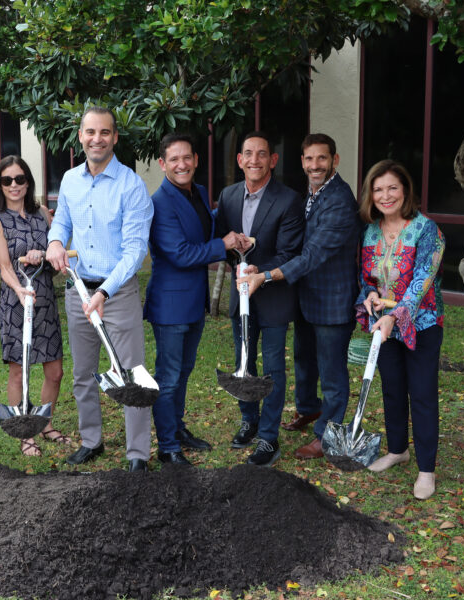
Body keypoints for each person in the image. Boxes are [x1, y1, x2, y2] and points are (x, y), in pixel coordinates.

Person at [236, 134, 361, 460]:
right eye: (309, 159)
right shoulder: (312, 193)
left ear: (334, 161)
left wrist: (264, 275)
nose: (315, 165)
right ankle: (308, 409)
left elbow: (310, 256)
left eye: (322, 159)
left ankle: (327, 435)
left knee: (332, 374)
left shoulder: (340, 201)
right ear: (302, 162)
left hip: (332, 300)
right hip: (306, 295)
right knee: (305, 360)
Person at [45, 105, 154, 472]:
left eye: (104, 132)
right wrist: (56, 242)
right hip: (78, 291)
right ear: (80, 136)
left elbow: (136, 250)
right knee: (83, 374)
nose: (97, 139)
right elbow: (61, 222)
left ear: (115, 137)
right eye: (90, 132)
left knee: (131, 372)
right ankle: (91, 440)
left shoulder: (131, 186)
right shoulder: (71, 180)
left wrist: (104, 292)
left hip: (117, 293)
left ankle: (137, 452)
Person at [144, 133, 248, 465]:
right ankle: (168, 447)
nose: (181, 164)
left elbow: (208, 231)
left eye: (186, 157)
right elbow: (179, 253)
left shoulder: (199, 193)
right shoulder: (159, 203)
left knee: (184, 371)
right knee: (169, 375)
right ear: (162, 164)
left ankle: (177, 429)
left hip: (194, 301)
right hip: (170, 303)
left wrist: (232, 240)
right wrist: (224, 245)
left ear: (196, 160)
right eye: (173, 159)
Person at [356, 159, 445, 500]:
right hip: (384, 323)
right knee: (392, 387)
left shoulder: (427, 230)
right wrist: (370, 296)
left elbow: (422, 281)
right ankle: (397, 450)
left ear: (405, 190)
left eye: (392, 187)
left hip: (421, 324)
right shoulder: (370, 231)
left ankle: (426, 470)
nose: (385, 195)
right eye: (378, 189)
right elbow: (367, 278)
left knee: (421, 393)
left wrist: (397, 315)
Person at [215, 131, 304, 466]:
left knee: (272, 370)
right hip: (242, 299)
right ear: (239, 160)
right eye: (248, 154)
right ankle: (249, 420)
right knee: (244, 362)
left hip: (274, 296)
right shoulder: (228, 196)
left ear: (273, 160)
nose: (254, 160)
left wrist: (257, 270)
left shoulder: (288, 199)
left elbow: (290, 252)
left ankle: (268, 437)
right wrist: (236, 263)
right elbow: (224, 242)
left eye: (262, 154)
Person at [0, 155, 69, 457]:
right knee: (19, 374)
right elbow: (5, 267)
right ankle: (24, 433)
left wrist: (44, 255)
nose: (14, 185)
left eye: (20, 179)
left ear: (28, 181)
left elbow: (56, 257)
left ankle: (43, 424)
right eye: (7, 180)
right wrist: (20, 290)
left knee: (54, 371)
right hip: (16, 301)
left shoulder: (43, 214)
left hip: (44, 298)